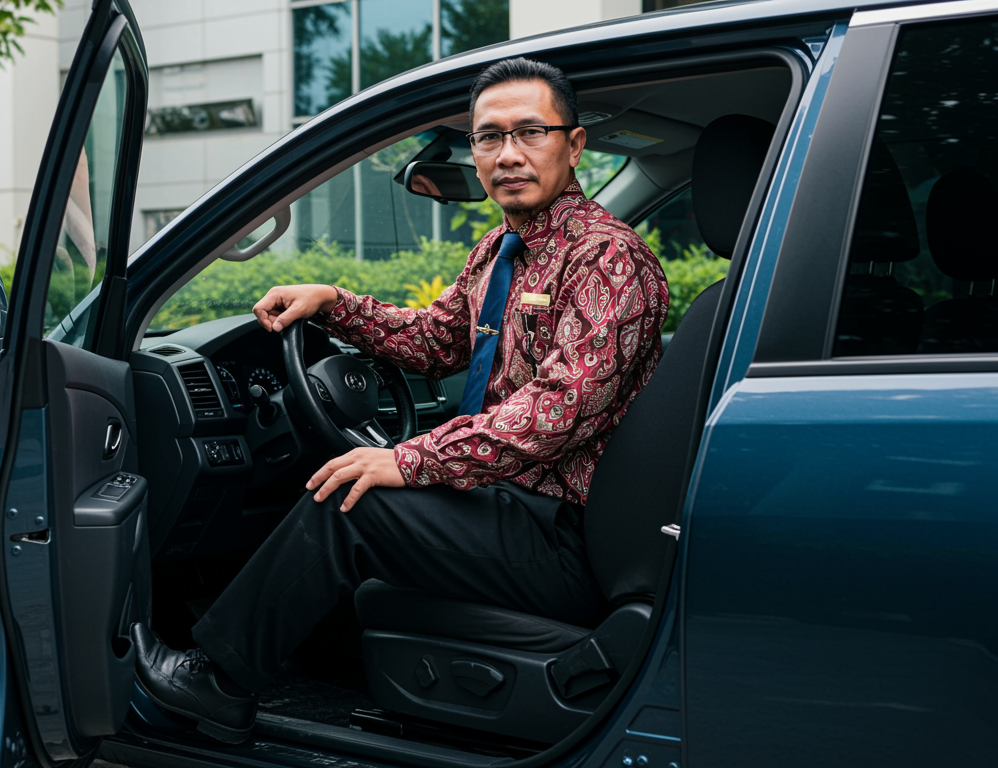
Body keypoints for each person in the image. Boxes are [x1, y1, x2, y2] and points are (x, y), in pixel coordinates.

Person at [132, 57, 669, 745]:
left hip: (569, 534)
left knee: (356, 499)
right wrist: (333, 303)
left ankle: (217, 686)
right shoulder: (500, 250)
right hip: (513, 504)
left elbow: (559, 409)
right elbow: (437, 341)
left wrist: (410, 460)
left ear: (575, 144)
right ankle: (325, 686)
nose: (508, 154)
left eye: (530, 133)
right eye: (489, 137)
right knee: (346, 477)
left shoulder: (609, 259)